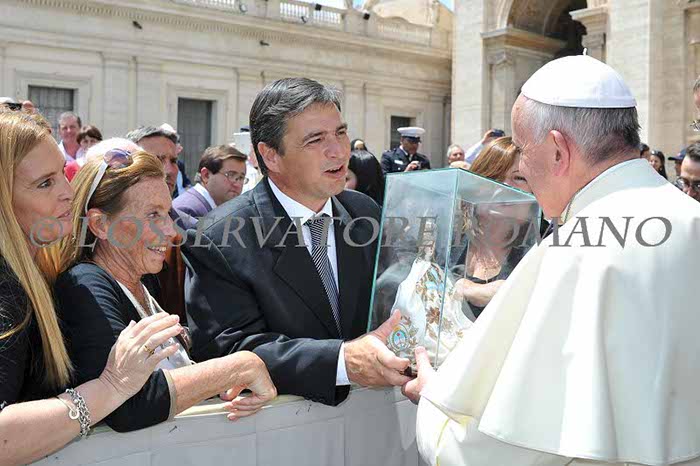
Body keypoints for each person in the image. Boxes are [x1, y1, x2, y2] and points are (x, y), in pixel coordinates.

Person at [408, 55, 700, 466]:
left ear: (559, 151)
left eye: (523, 150)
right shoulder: (692, 217)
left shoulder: (573, 251)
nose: (523, 168)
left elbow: (499, 453)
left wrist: (432, 408)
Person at [183, 77, 412, 407]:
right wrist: (341, 362)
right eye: (316, 139)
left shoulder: (364, 212)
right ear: (271, 156)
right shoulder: (219, 237)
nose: (338, 150)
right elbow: (227, 350)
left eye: (340, 133)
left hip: (376, 417)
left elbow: (394, 296)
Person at [0, 109, 187, 465]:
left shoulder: (36, 271)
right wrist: (111, 387)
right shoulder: (8, 289)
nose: (68, 192)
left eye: (62, 173)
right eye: (45, 183)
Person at [53, 148, 276, 432]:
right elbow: (124, 405)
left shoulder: (143, 280)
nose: (170, 230)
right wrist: (237, 367)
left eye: (167, 213)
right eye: (153, 215)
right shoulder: (85, 284)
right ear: (100, 224)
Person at [452, 136, 532, 318]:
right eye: (494, 176)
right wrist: (459, 286)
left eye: (519, 178)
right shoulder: (449, 236)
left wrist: (511, 292)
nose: (504, 187)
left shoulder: (543, 247)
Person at [173, 145, 248, 218]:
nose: (238, 185)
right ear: (206, 175)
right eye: (231, 175)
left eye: (241, 177)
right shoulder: (186, 211)